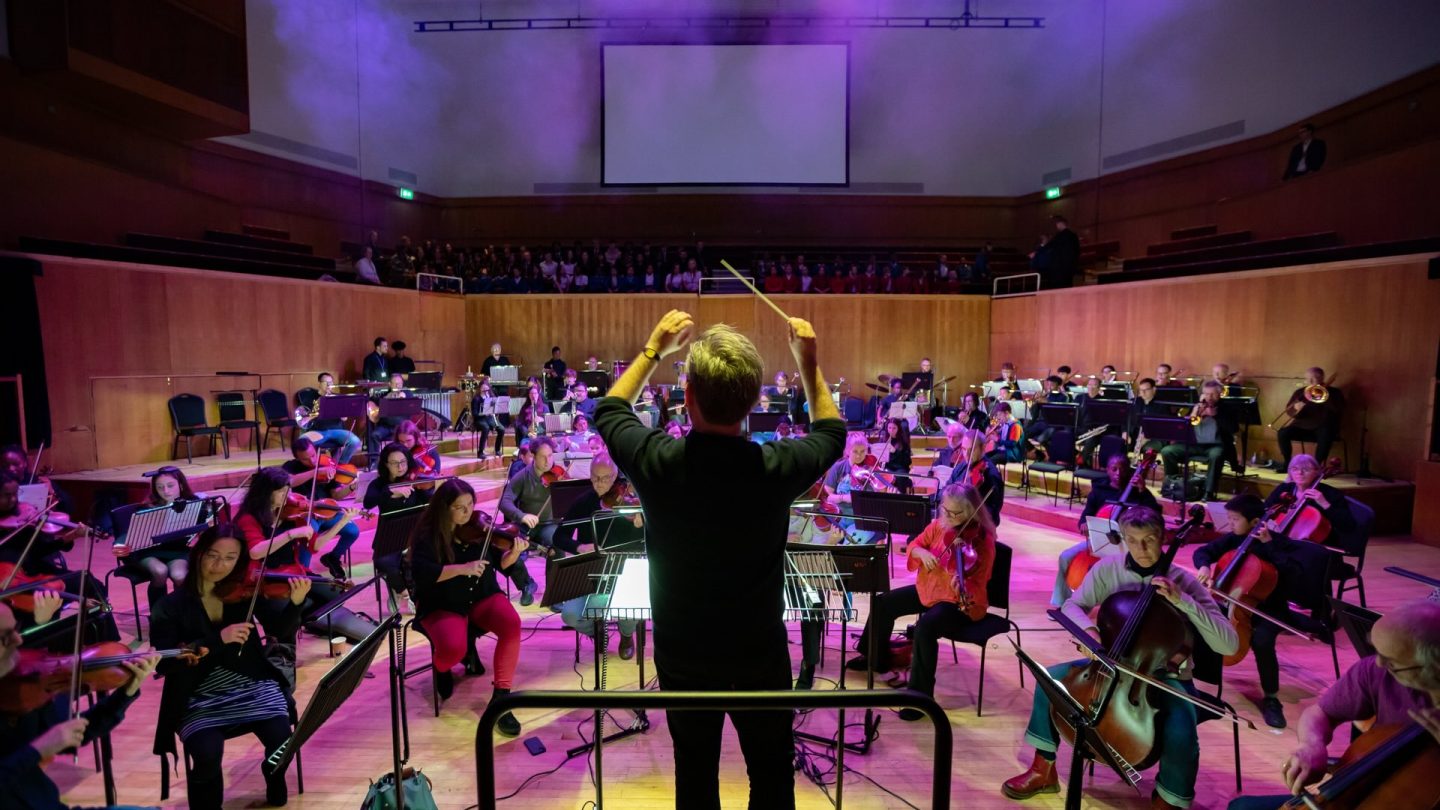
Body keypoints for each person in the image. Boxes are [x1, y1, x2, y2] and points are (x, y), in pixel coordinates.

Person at [595, 309, 845, 810]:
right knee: (773, 777)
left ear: (687, 398)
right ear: (753, 403)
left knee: (695, 776)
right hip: (759, 653)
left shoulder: (658, 461)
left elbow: (608, 409)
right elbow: (832, 433)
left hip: (684, 656)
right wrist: (808, 362)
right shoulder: (775, 466)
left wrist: (653, 349)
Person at [1002, 507, 1238, 808]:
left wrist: (1185, 602)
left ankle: (1169, 800)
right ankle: (1043, 768)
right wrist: (1089, 633)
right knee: (1049, 681)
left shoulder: (1184, 581)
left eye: (1149, 540)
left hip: (1164, 676)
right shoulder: (1107, 569)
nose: (1141, 549)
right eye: (1133, 540)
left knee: (1181, 729)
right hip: (1109, 664)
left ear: (1163, 537)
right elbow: (1074, 606)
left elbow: (1229, 645)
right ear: (1122, 539)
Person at [149, 527, 307, 809]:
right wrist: (217, 640)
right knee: (207, 755)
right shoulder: (169, 605)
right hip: (197, 692)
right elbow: (164, 661)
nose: (219, 565)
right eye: (212, 555)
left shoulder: (244, 593)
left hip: (252, 681)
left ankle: (274, 775)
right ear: (198, 554)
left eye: (230, 558)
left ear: (239, 562)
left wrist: (295, 605)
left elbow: (278, 630)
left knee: (282, 739)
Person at [1229, 602, 1440, 810]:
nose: (1378, 664)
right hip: (1364, 793)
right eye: (1377, 652)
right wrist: (1312, 744)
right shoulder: (1375, 671)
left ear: (1433, 667)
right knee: (1241, 807)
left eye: (1392, 662)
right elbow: (1320, 713)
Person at [846, 484, 995, 714]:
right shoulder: (938, 525)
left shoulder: (982, 541)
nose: (946, 516)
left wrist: (963, 585)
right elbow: (915, 544)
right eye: (945, 510)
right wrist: (921, 553)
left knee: (925, 628)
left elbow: (981, 580)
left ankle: (920, 698)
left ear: (971, 512)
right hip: (929, 589)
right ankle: (874, 657)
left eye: (955, 514)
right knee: (884, 603)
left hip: (958, 603)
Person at [1193, 494, 1335, 729]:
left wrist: (1269, 546)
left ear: (1255, 521)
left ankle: (1271, 698)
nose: (1230, 524)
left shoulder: (1280, 544)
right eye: (1228, 518)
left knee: (1261, 642)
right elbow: (1205, 551)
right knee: (1203, 628)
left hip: (1271, 609)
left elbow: (1294, 576)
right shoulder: (1235, 539)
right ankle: (1204, 688)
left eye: (1235, 519)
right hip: (1235, 604)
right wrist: (1205, 566)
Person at [0, 601, 159, 810]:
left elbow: (76, 736)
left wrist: (126, 693)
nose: (19, 640)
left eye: (16, 629)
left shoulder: (23, 687)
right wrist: (38, 750)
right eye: (5, 637)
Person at [406, 478, 525, 735]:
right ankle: (442, 668)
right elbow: (423, 574)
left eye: (471, 504)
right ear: (444, 508)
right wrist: (463, 568)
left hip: (481, 595)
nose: (468, 512)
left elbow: (500, 563)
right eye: (460, 507)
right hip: (443, 603)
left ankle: (501, 698)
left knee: (511, 623)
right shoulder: (429, 536)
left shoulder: (479, 530)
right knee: (451, 650)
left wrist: (513, 554)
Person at [232, 467, 372, 645]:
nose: (287, 495)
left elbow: (315, 546)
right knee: (289, 616)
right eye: (281, 491)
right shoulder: (250, 517)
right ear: (265, 492)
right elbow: (256, 551)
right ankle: (289, 632)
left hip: (295, 572)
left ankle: (308, 621)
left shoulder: (293, 514)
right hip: (266, 578)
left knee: (336, 594)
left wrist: (342, 522)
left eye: (288, 490)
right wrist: (291, 534)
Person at [0, 472, 118, 647]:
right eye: (6, 495)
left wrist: (71, 536)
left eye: (16, 494)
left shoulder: (23, 514)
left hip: (36, 572)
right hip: (11, 584)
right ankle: (50, 651)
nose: (13, 500)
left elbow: (39, 550)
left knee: (90, 583)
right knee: (47, 604)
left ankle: (107, 644)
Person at [554, 455, 642, 659]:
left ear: (615, 476)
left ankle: (626, 634)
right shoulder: (584, 502)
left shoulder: (631, 500)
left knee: (629, 608)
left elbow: (648, 543)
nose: (599, 483)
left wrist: (641, 528)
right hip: (591, 569)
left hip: (625, 568)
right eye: (594, 477)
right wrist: (578, 546)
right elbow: (559, 536)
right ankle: (597, 631)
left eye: (605, 478)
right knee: (571, 615)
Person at [1052, 454, 1161, 607]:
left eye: (1122, 469)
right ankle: (1061, 602)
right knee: (1065, 556)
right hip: (1099, 542)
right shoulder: (1099, 490)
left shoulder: (1138, 492)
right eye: (1114, 469)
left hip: (1125, 546)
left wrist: (1143, 490)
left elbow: (1155, 514)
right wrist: (1083, 523)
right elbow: (1086, 515)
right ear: (1107, 470)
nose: (1118, 473)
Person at [112, 465, 196, 608]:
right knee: (159, 571)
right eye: (160, 487)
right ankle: (158, 613)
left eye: (170, 486)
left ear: (181, 485)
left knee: (179, 575)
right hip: (147, 552)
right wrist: (119, 544)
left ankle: (182, 613)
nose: (166, 491)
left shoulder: (193, 504)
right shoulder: (147, 508)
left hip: (177, 551)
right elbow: (128, 533)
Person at [363, 442, 432, 612]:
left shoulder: (415, 481)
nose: (401, 467)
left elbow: (428, 502)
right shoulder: (379, 485)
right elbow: (368, 502)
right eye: (394, 463)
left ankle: (419, 593)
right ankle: (403, 592)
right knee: (382, 561)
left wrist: (431, 490)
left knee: (424, 560)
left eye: (403, 462)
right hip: (390, 536)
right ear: (386, 465)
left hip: (414, 535)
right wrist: (391, 492)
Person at [1159, 380, 1237, 501]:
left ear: (1219, 394)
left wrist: (1215, 416)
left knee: (1216, 455)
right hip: (1194, 444)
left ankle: (1208, 492)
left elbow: (1233, 429)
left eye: (1212, 394)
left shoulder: (1226, 408)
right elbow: (1186, 425)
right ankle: (1172, 485)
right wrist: (1195, 412)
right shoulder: (1198, 405)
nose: (1209, 397)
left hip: (1215, 445)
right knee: (1167, 451)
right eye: (1206, 393)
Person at [1263, 453, 1357, 552]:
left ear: (1316, 472)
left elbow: (1348, 525)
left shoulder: (1331, 494)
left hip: (1315, 548)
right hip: (1283, 541)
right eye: (1295, 469)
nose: (1300, 472)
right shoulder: (1284, 489)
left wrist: (1325, 503)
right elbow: (1265, 510)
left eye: (1306, 469)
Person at [1274, 367, 1344, 473]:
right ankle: (1287, 463)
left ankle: (1315, 467)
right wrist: (1295, 408)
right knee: (1283, 433)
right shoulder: (1300, 392)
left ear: (1322, 378)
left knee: (1326, 432)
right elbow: (1289, 412)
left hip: (1323, 427)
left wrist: (1323, 397)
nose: (1310, 381)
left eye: (1314, 378)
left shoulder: (1334, 392)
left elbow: (1338, 409)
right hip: (1302, 427)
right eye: (1308, 379)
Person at [297, 372, 362, 464]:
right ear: (319, 383)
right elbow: (303, 421)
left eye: (331, 382)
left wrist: (337, 407)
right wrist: (319, 406)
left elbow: (344, 419)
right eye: (325, 382)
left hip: (337, 430)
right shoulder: (310, 398)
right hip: (318, 431)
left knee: (355, 441)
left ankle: (339, 466)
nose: (329, 385)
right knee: (302, 441)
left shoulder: (337, 397)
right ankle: (312, 468)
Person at [879, 416, 913, 494]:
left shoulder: (903, 441)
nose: (891, 430)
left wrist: (895, 452)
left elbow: (907, 462)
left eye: (894, 428)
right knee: (879, 476)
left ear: (898, 429)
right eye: (889, 428)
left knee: (899, 477)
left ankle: (900, 498)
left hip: (900, 468)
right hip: (888, 467)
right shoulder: (883, 440)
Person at [471, 380, 504, 459]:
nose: (485, 391)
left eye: (487, 389)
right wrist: (484, 413)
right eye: (483, 388)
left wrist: (495, 411)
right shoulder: (476, 399)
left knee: (501, 429)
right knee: (486, 428)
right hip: (479, 419)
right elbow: (474, 413)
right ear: (480, 389)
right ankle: (480, 452)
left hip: (490, 418)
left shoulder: (492, 398)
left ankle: (497, 449)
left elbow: (497, 409)